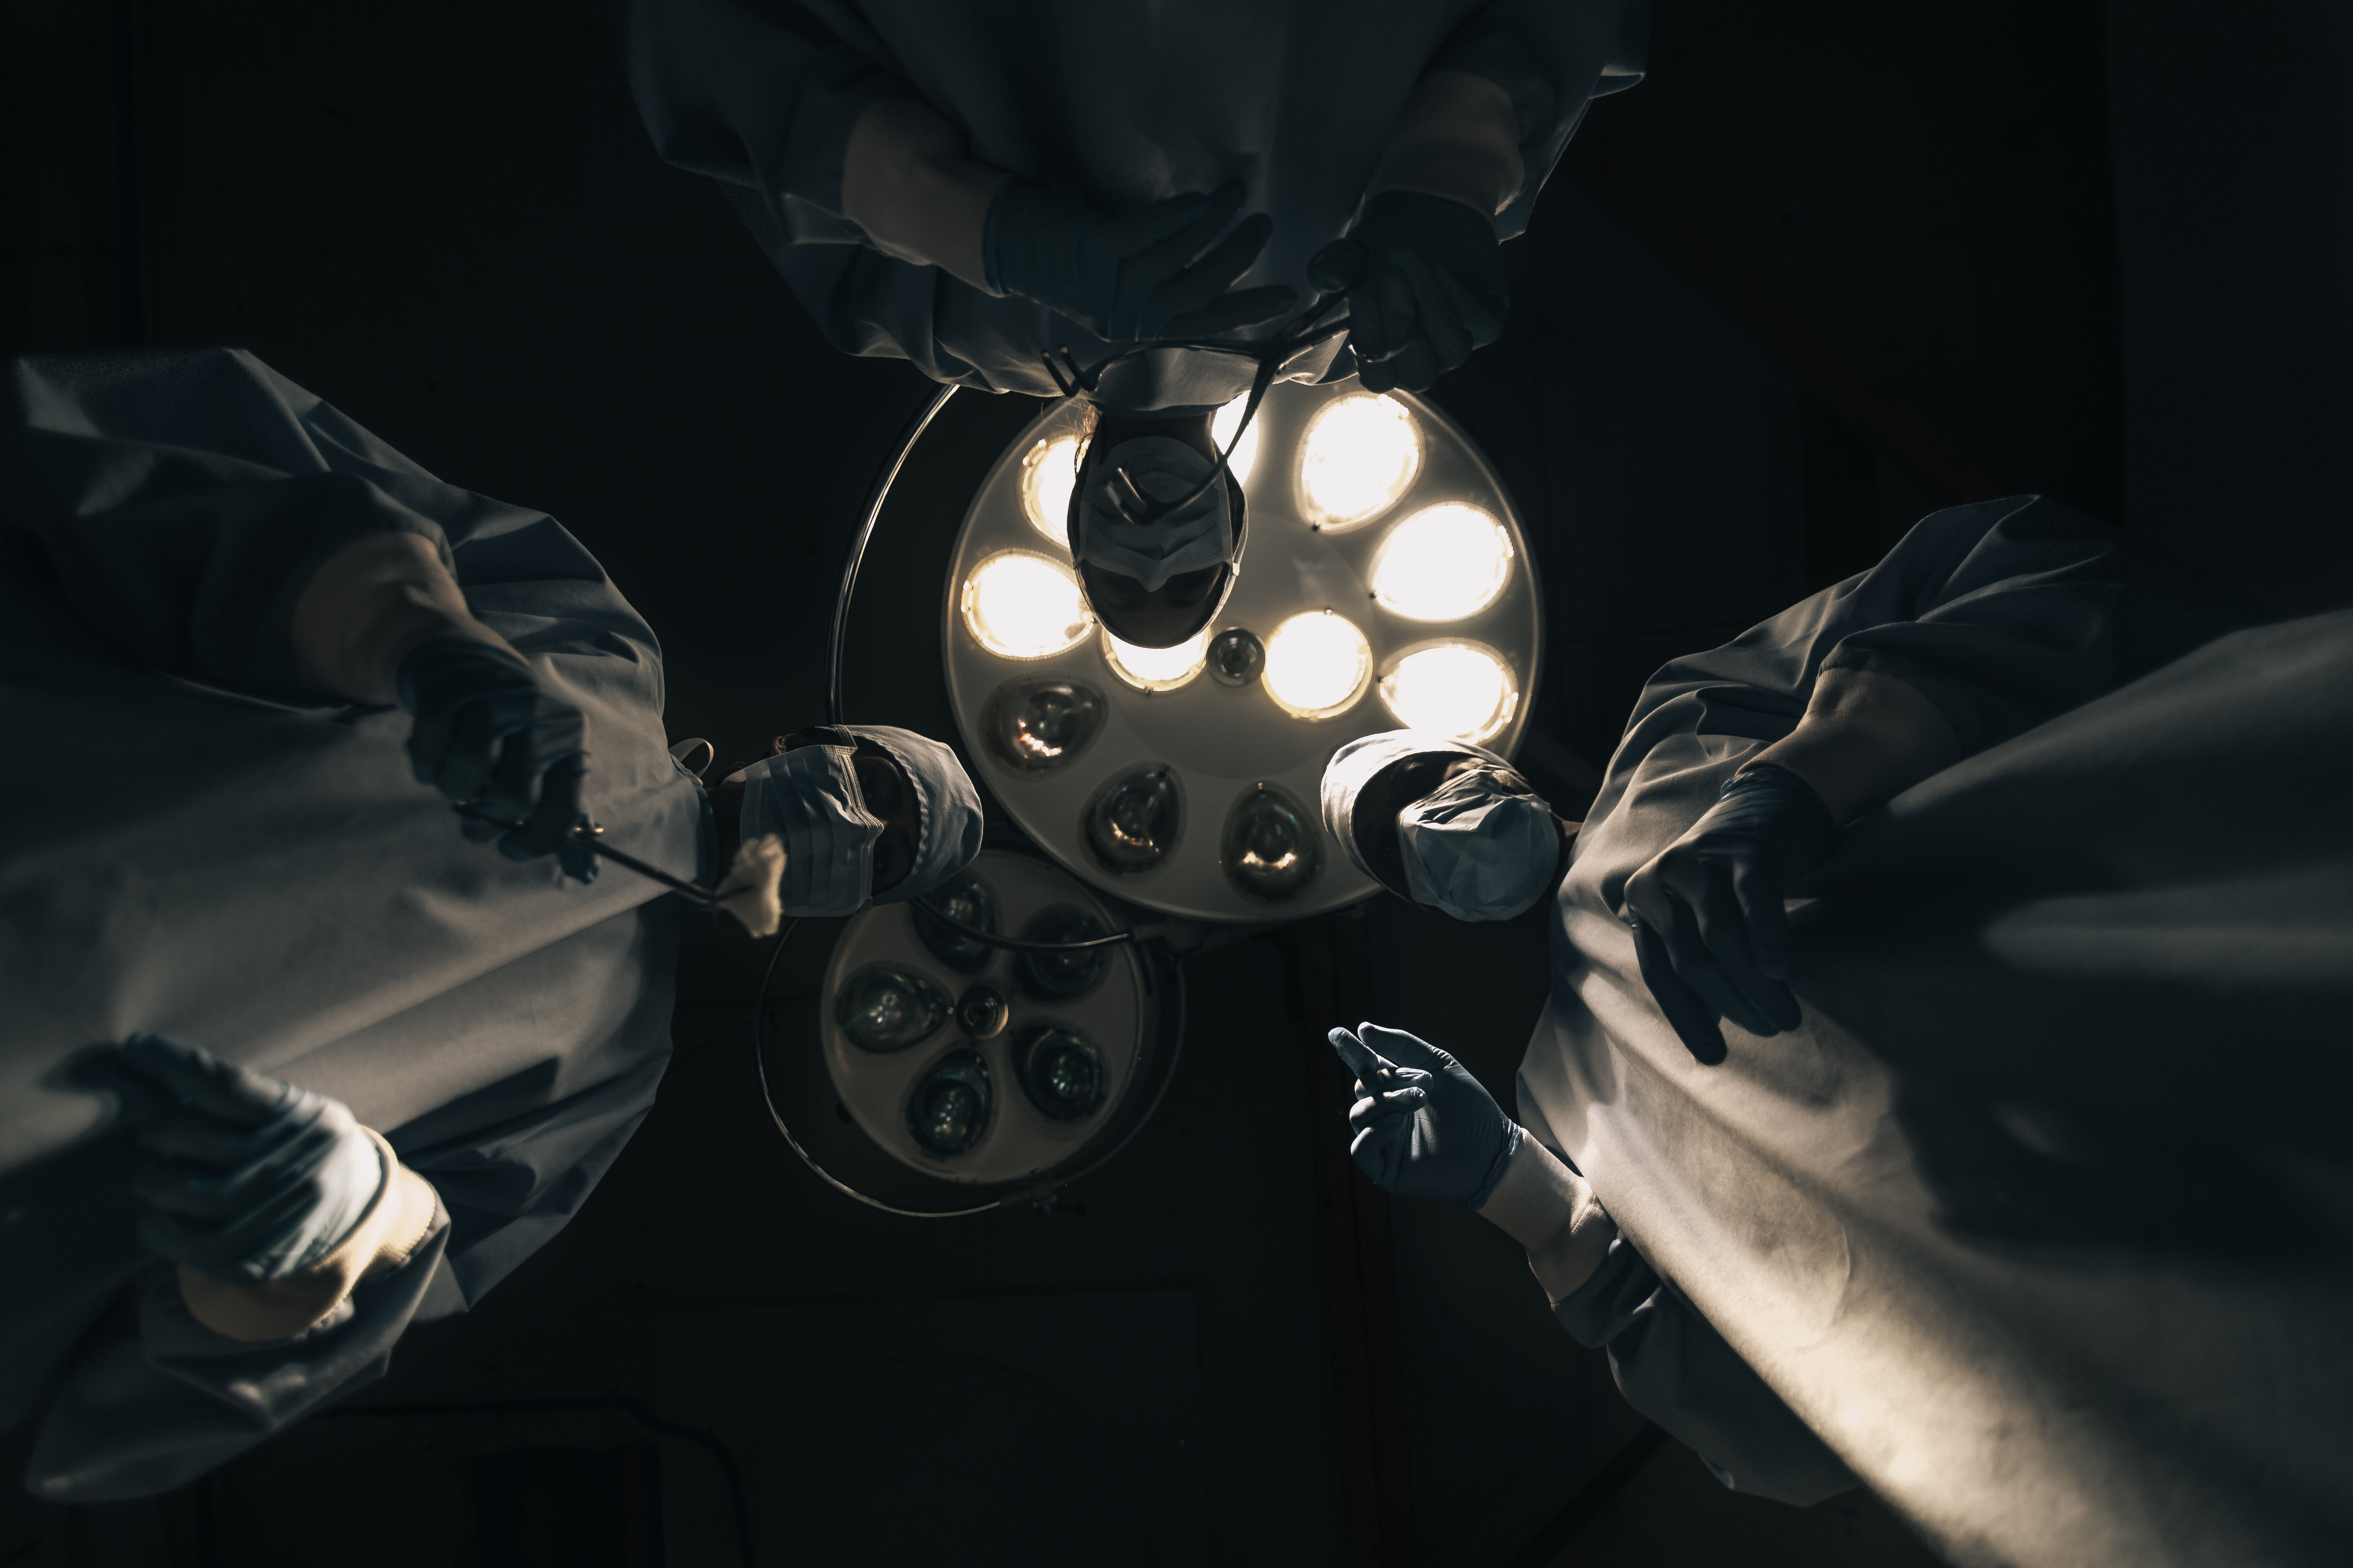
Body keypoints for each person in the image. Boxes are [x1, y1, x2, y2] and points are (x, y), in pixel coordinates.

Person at [0, 347, 984, 1502]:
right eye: (873, 782)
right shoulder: (590, 649)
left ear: (835, 914)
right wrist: (415, 635)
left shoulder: (603, 1079)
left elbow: (347, 1304)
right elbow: (224, 493)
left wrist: (343, 1228)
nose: (855, 823)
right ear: (802, 744)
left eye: (880, 858)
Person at [1322, 495, 2353, 1553]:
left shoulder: (1683, 722)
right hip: (2157, 1289)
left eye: (1427, 782)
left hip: (2213, 968)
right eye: (1401, 854)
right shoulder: (1566, 1093)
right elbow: (1779, 1438)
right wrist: (1512, 1182)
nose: (1425, 827)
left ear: (1493, 757)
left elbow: (2042, 569)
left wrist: (1803, 781)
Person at [625, 0, 1647, 641]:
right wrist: (1450, 172)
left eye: (1124, 575)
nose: (1155, 549)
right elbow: (1540, 32)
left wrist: (987, 230)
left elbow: (753, 82)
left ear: (1069, 513)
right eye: (1187, 575)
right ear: (1236, 522)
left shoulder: (946, 330)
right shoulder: (1353, 331)